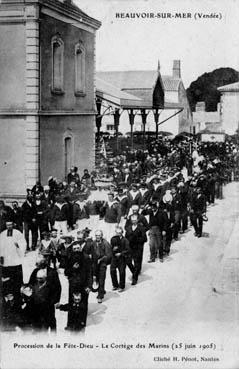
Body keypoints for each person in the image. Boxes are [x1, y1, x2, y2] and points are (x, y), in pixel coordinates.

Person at [29, 254, 61, 331]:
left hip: (49, 303)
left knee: (50, 321)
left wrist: (55, 301)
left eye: (38, 263)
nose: (37, 265)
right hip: (37, 303)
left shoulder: (52, 272)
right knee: (37, 323)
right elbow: (30, 285)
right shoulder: (35, 271)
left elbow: (58, 287)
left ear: (44, 262)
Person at [64, 242, 92, 330]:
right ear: (72, 249)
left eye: (78, 248)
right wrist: (73, 268)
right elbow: (66, 272)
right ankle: (70, 324)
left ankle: (82, 322)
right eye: (74, 248)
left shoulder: (86, 258)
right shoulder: (69, 257)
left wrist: (89, 286)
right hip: (73, 284)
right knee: (72, 303)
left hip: (84, 284)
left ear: (81, 249)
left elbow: (90, 273)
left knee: (83, 303)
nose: (76, 250)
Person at [0, 220, 26, 309]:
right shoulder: (2, 234)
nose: (9, 226)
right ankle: (9, 299)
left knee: (17, 281)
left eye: (10, 225)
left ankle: (18, 298)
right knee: (7, 282)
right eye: (7, 225)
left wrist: (18, 245)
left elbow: (23, 243)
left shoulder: (18, 233)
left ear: (13, 225)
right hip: (6, 261)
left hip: (16, 260)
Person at [125, 215, 147, 284]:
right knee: (128, 261)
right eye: (132, 220)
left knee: (137, 263)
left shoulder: (141, 228)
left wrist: (136, 239)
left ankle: (135, 278)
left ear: (137, 220)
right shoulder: (128, 228)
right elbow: (126, 237)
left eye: (135, 220)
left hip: (138, 248)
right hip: (130, 247)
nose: (133, 222)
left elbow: (145, 239)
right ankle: (135, 272)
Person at [92, 230, 112, 303]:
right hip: (94, 264)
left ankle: (100, 296)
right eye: (96, 235)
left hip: (102, 264)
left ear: (101, 236)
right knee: (96, 278)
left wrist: (101, 259)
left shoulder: (106, 243)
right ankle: (102, 290)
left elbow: (109, 255)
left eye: (99, 235)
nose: (97, 237)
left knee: (101, 279)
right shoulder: (93, 243)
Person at [110, 226, 130, 292]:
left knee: (121, 272)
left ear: (122, 233)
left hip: (122, 258)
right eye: (117, 233)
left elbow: (128, 250)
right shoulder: (113, 239)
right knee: (112, 271)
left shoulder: (125, 240)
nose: (118, 234)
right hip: (114, 258)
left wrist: (121, 253)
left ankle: (121, 286)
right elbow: (111, 248)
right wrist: (113, 249)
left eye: (120, 233)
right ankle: (115, 285)